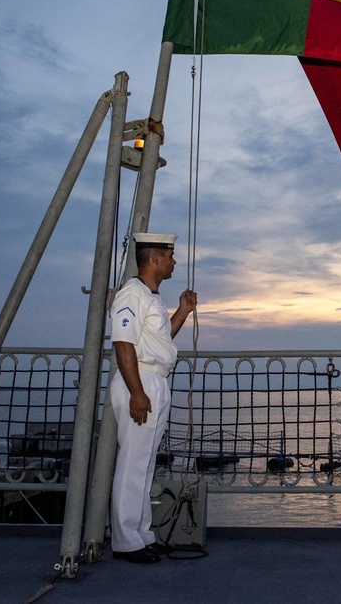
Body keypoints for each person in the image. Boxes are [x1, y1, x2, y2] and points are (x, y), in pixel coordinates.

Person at [109, 232, 197, 564]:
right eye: (170, 256)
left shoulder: (151, 295)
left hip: (153, 380)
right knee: (133, 464)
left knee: (144, 465)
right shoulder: (132, 293)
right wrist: (136, 392)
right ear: (155, 258)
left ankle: (141, 535)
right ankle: (126, 541)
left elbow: (160, 339)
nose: (174, 262)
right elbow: (123, 343)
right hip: (140, 380)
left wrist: (183, 310)